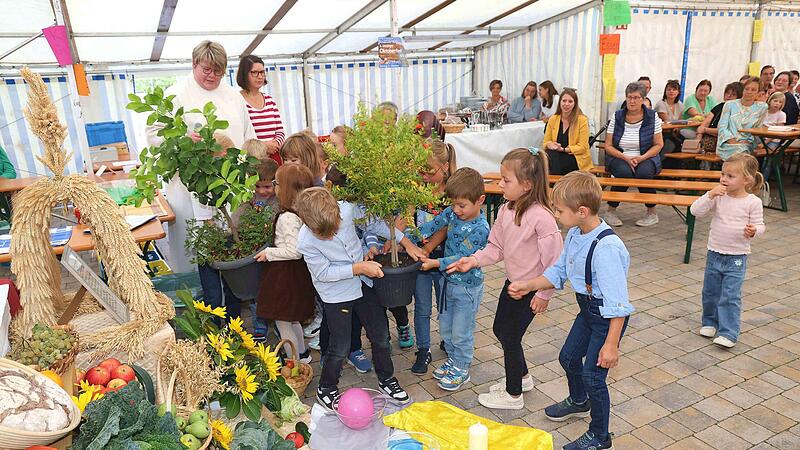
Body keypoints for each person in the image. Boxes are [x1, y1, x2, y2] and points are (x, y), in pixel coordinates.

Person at [506, 171, 632, 450]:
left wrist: (611, 345)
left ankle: (600, 436)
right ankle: (579, 400)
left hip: (607, 316)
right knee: (568, 358)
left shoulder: (606, 248)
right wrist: (528, 285)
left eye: (560, 210)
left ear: (582, 211)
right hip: (587, 310)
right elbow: (558, 271)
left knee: (594, 377)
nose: (556, 215)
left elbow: (618, 305)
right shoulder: (575, 233)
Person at [146, 40, 257, 314]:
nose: (212, 76)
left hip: (228, 185)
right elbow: (154, 136)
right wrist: (185, 139)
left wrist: (244, 164)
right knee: (198, 250)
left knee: (229, 245)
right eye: (207, 69)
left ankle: (232, 308)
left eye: (218, 72)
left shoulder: (233, 97)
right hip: (189, 189)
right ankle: (203, 309)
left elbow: (248, 136)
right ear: (194, 64)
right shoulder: (175, 94)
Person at [447, 147, 562, 410]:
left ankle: (513, 396)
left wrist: (543, 294)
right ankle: (522, 378)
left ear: (526, 185)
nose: (500, 184)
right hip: (513, 285)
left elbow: (555, 263)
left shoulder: (543, 218)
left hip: (531, 289)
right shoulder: (506, 209)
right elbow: (496, 248)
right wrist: (474, 260)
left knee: (510, 336)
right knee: (501, 330)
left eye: (506, 180)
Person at [295, 187, 412, 410]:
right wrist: (358, 267)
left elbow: (375, 224)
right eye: (324, 234)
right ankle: (326, 387)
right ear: (308, 225)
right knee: (341, 344)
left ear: (338, 213)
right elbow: (323, 274)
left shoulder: (347, 210)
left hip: (362, 283)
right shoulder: (305, 241)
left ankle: (386, 379)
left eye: (333, 229)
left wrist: (404, 241)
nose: (330, 236)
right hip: (336, 293)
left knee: (380, 333)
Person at [415, 168, 490, 391]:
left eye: (462, 206)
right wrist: (410, 236)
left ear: (480, 201)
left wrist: (436, 263)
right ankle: (453, 361)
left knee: (461, 331)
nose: (456, 210)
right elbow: (432, 226)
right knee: (446, 327)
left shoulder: (480, 228)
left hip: (467, 289)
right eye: (454, 204)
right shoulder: (452, 212)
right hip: (448, 283)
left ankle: (462, 367)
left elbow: (463, 258)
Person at [691, 154, 765, 348]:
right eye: (723, 174)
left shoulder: (753, 202)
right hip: (714, 253)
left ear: (746, 179)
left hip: (737, 257)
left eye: (730, 176)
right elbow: (695, 211)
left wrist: (754, 231)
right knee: (710, 292)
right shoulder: (718, 196)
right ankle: (709, 322)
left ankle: (728, 332)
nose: (724, 179)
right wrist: (709, 195)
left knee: (730, 295)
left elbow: (760, 225)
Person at [254, 164, 316, 363]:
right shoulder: (302, 211)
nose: (275, 187)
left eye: (276, 183)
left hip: (285, 275)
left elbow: (294, 251)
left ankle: (293, 362)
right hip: (296, 273)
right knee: (293, 317)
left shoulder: (287, 217)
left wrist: (268, 253)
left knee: (283, 322)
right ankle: (302, 354)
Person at [406, 139, 456, 374]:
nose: (424, 175)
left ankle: (448, 341)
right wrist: (396, 238)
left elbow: (446, 227)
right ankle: (423, 349)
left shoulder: (451, 193)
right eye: (421, 170)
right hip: (420, 261)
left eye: (429, 170)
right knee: (422, 308)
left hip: (442, 260)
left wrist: (428, 249)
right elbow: (406, 217)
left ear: (445, 167)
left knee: (446, 306)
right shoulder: (417, 189)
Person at [602, 82, 664, 228]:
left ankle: (652, 212)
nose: (632, 101)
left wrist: (641, 158)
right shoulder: (617, 116)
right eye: (629, 97)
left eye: (636, 97)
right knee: (624, 173)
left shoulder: (652, 117)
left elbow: (658, 144)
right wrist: (625, 158)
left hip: (646, 156)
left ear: (643, 99)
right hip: (620, 156)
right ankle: (610, 211)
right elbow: (608, 146)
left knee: (644, 173)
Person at [237, 55, 284, 166]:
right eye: (255, 72)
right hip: (252, 160)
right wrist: (264, 146)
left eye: (262, 72)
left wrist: (275, 144)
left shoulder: (270, 100)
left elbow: (280, 131)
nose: (260, 76)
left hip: (274, 159)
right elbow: (239, 134)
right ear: (244, 74)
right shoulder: (238, 101)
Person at [716, 77, 768, 161]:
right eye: (747, 89)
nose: (749, 92)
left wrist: (749, 141)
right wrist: (731, 140)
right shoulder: (730, 105)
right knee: (741, 152)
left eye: (753, 90)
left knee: (743, 151)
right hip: (727, 143)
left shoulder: (762, 107)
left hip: (748, 143)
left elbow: (758, 129)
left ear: (758, 93)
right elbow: (722, 126)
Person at [543, 88, 592, 174]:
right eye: (564, 101)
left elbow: (583, 147)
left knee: (554, 160)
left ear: (575, 104)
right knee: (550, 155)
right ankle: (556, 184)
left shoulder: (582, 120)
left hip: (575, 156)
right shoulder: (553, 119)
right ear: (560, 102)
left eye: (570, 101)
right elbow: (545, 143)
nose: (566, 104)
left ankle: (555, 185)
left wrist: (564, 149)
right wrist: (550, 144)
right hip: (556, 155)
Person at [696, 82, 744, 154]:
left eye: (733, 94)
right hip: (708, 138)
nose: (729, 96)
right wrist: (699, 136)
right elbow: (705, 122)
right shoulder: (720, 106)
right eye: (727, 93)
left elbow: (723, 131)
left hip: (723, 141)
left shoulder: (737, 112)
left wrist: (705, 130)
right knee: (691, 147)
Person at [655, 80, 685, 156]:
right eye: (669, 89)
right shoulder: (661, 104)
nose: (671, 91)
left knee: (684, 140)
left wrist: (677, 128)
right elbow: (666, 121)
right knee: (676, 142)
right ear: (665, 91)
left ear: (678, 92)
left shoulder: (680, 104)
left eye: (674, 89)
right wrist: (676, 126)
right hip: (663, 132)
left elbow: (680, 121)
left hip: (674, 131)